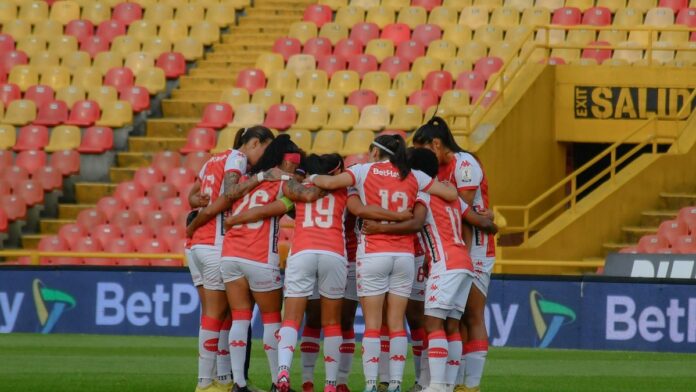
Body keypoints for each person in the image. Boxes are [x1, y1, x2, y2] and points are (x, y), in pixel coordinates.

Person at [308, 135, 458, 392]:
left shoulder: (364, 170)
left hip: (374, 253)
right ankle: (396, 385)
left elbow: (330, 181)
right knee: (397, 323)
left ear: (376, 153)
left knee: (373, 325)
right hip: (404, 257)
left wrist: (309, 178)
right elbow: (450, 193)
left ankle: (370, 384)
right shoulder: (414, 176)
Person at [361, 148, 497, 392]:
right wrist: (491, 217)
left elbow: (414, 223)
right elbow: (484, 223)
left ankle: (435, 385)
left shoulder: (423, 195)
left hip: (445, 263)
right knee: (452, 327)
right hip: (465, 262)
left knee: (432, 324)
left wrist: (379, 229)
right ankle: (447, 384)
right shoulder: (453, 195)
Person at [274, 154, 412, 392]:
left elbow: (282, 199)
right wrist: (398, 215)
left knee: (292, 319)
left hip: (302, 251)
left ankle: (283, 373)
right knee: (332, 323)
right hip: (334, 254)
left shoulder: (295, 188)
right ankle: (331, 384)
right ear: (337, 171)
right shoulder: (345, 191)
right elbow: (362, 208)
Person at [218, 135, 321, 392]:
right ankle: (278, 383)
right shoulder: (284, 183)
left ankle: (238, 384)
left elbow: (228, 195)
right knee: (273, 319)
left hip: (230, 255)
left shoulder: (245, 180)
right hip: (259, 256)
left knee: (240, 319)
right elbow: (305, 196)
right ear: (287, 163)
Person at [186, 126, 275, 392]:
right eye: (266, 149)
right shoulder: (237, 159)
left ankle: (224, 380)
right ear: (255, 143)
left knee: (221, 315)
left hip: (197, 247)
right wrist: (260, 177)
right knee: (216, 316)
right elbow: (230, 193)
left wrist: (198, 204)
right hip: (215, 242)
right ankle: (204, 382)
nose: (266, 156)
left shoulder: (213, 159)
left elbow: (193, 195)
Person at [413, 118, 495, 392]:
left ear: (436, 143)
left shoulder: (465, 164)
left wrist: (487, 222)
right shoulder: (438, 172)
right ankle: (450, 383)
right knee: (453, 319)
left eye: (423, 148)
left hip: (474, 247)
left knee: (472, 315)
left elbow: (464, 212)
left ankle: (470, 385)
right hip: (454, 247)